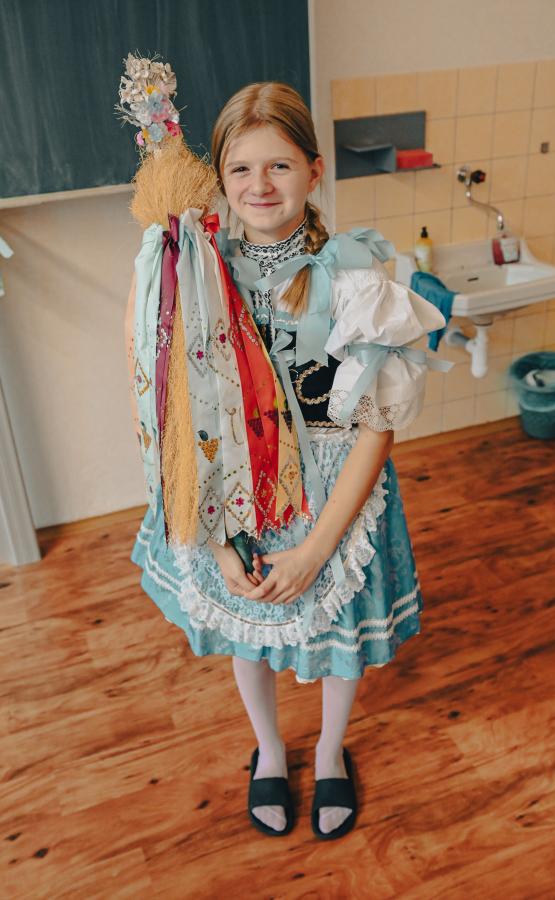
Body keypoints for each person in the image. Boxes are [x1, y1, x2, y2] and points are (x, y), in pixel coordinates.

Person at [125, 78, 452, 840]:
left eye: (279, 165)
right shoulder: (198, 272)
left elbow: (376, 429)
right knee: (251, 631)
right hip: (234, 492)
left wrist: (315, 550)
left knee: (338, 648)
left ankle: (331, 751)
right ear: (220, 177)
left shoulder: (354, 277)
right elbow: (179, 412)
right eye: (240, 169)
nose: (260, 185)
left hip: (335, 498)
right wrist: (217, 534)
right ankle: (270, 750)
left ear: (314, 170)